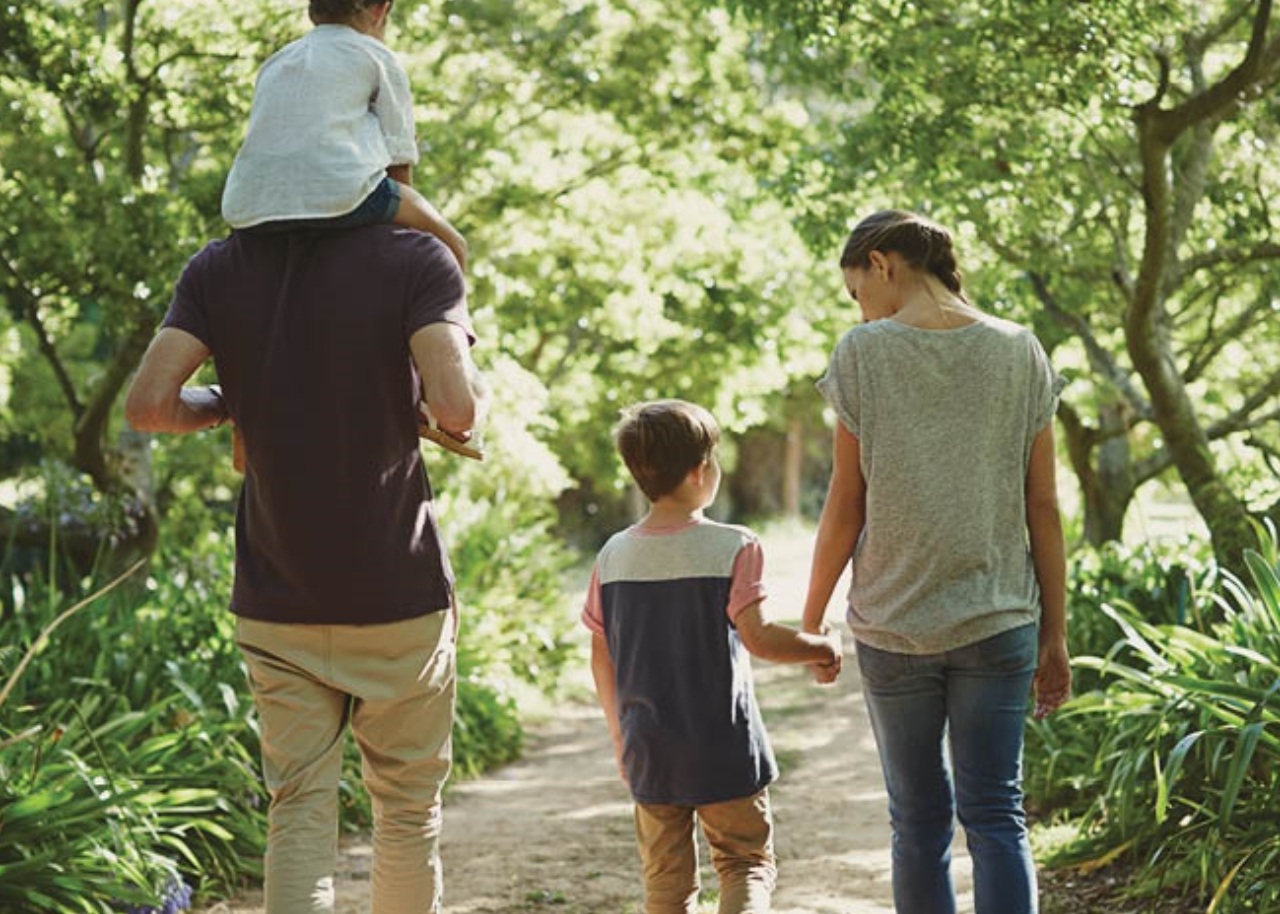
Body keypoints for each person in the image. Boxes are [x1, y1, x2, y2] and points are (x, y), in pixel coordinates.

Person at [124, 221, 488, 914]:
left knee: (296, 812)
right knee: (407, 815)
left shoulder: (217, 268)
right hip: (397, 593)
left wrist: (232, 401)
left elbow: (150, 406)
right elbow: (456, 408)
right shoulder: (418, 259)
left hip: (276, 593)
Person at [800, 210, 1071, 914]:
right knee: (997, 816)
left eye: (856, 290)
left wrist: (812, 619)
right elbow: (1043, 506)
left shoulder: (864, 352)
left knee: (916, 823)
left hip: (893, 626)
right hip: (999, 620)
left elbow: (844, 505)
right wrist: (1056, 635)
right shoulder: (1021, 350)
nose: (860, 307)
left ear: (883, 264)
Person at [584, 399, 842, 914]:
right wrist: (823, 647)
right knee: (744, 865)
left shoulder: (612, 555)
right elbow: (762, 638)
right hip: (723, 747)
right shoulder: (734, 546)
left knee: (666, 883)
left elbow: (601, 655)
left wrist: (620, 738)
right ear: (702, 472)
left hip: (649, 749)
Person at [221, 0, 469, 272]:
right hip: (342, 195)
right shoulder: (377, 56)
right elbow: (399, 164)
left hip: (250, 206)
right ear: (380, 10)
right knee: (454, 245)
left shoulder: (276, 62)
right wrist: (407, 237)